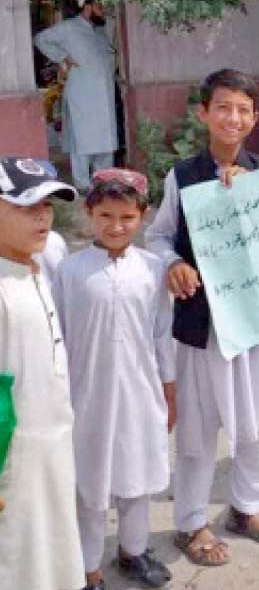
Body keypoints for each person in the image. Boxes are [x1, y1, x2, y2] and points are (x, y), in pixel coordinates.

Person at [145, 69, 259, 568]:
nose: (233, 118)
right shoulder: (181, 176)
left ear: (255, 118)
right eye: (222, 107)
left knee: (257, 425)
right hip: (199, 325)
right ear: (204, 113)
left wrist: (254, 196)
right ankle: (190, 522)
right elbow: (158, 237)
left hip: (252, 322)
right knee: (197, 431)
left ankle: (247, 509)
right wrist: (174, 264)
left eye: (243, 109)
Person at [54, 168, 174, 590]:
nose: (116, 226)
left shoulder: (154, 269)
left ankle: (132, 551)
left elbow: (162, 334)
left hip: (141, 393)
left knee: (136, 478)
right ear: (89, 214)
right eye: (105, 216)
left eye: (126, 217)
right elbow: (59, 338)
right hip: (85, 397)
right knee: (88, 485)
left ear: (142, 216)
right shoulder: (69, 271)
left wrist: (169, 390)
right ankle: (88, 569)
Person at [0, 157, 84, 589]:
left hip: (53, 447)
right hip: (15, 461)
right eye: (26, 206)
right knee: (19, 561)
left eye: (48, 206)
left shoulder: (35, 270)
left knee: (55, 553)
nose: (42, 217)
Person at [34, 0, 117, 192]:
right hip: (82, 93)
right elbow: (40, 39)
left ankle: (104, 181)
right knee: (83, 138)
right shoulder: (68, 28)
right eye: (99, 6)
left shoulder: (101, 30)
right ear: (87, 6)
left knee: (105, 139)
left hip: (104, 94)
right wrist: (63, 57)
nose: (102, 11)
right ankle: (82, 184)